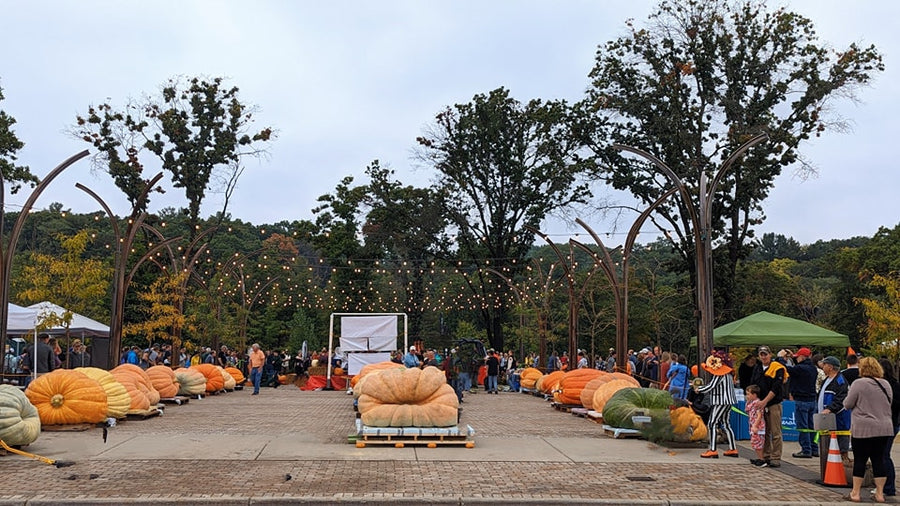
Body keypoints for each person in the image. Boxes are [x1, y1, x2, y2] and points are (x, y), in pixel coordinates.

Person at [843, 356, 894, 503]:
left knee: (860, 459)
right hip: (884, 427)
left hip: (864, 427)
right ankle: (879, 494)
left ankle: (856, 493)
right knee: (879, 460)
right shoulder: (886, 384)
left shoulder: (859, 383)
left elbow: (848, 403)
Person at [696, 350, 738, 458]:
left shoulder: (719, 375)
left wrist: (699, 389)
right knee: (726, 423)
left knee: (712, 423)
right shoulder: (728, 374)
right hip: (729, 401)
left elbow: (711, 386)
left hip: (721, 401)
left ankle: (713, 449)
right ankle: (733, 448)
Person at [751, 345, 787, 467]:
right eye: (761, 354)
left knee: (776, 431)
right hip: (760, 404)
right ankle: (765, 456)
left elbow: (776, 387)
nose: (763, 356)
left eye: (765, 354)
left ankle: (775, 457)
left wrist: (765, 401)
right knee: (763, 431)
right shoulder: (757, 368)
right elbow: (754, 385)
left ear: (770, 354)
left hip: (773, 403)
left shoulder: (777, 368)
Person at [781, 347, 818, 458]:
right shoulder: (813, 368)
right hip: (812, 400)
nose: (796, 359)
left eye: (798, 357)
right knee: (811, 426)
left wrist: (781, 358)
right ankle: (814, 448)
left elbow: (786, 368)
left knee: (803, 426)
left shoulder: (800, 368)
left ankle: (806, 450)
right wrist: (791, 357)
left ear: (802, 357)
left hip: (802, 400)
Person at [818, 355, 851, 461]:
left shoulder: (840, 381)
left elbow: (841, 398)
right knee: (827, 445)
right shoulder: (827, 379)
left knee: (840, 444)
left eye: (824, 364)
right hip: (826, 419)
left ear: (830, 367)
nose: (822, 367)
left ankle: (842, 462)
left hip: (838, 419)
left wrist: (830, 409)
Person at [878, 359, 900, 497]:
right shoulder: (895, 384)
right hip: (892, 422)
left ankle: (889, 486)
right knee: (883, 455)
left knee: (883, 455)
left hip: (887, 423)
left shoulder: (887, 385)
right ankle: (886, 486)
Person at [746, 384, 767, 467]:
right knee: (755, 443)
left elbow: (759, 415)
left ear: (754, 395)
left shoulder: (757, 403)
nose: (747, 396)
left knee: (757, 443)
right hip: (753, 426)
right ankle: (759, 458)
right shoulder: (751, 403)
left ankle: (762, 459)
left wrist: (755, 426)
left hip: (758, 428)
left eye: (748, 394)